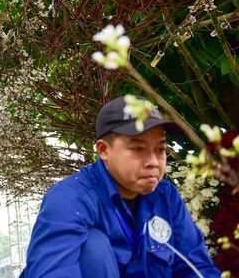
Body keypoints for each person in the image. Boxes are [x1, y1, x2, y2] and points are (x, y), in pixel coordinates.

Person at [21, 96, 220, 278]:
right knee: (93, 247)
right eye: (138, 148)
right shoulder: (69, 199)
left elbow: (196, 268)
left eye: (160, 149)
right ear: (103, 150)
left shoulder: (165, 196)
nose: (153, 162)